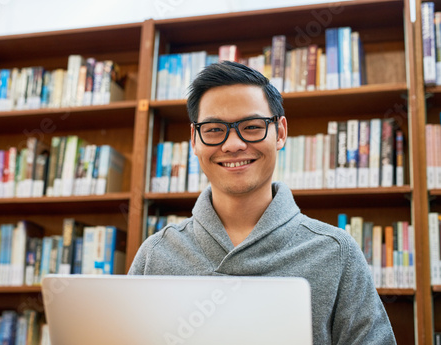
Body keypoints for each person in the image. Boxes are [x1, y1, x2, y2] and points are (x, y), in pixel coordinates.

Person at [128, 60, 397, 344]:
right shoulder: (156, 254)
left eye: (252, 126)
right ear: (194, 139)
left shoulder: (336, 252)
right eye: (214, 129)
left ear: (280, 132)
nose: (233, 144)